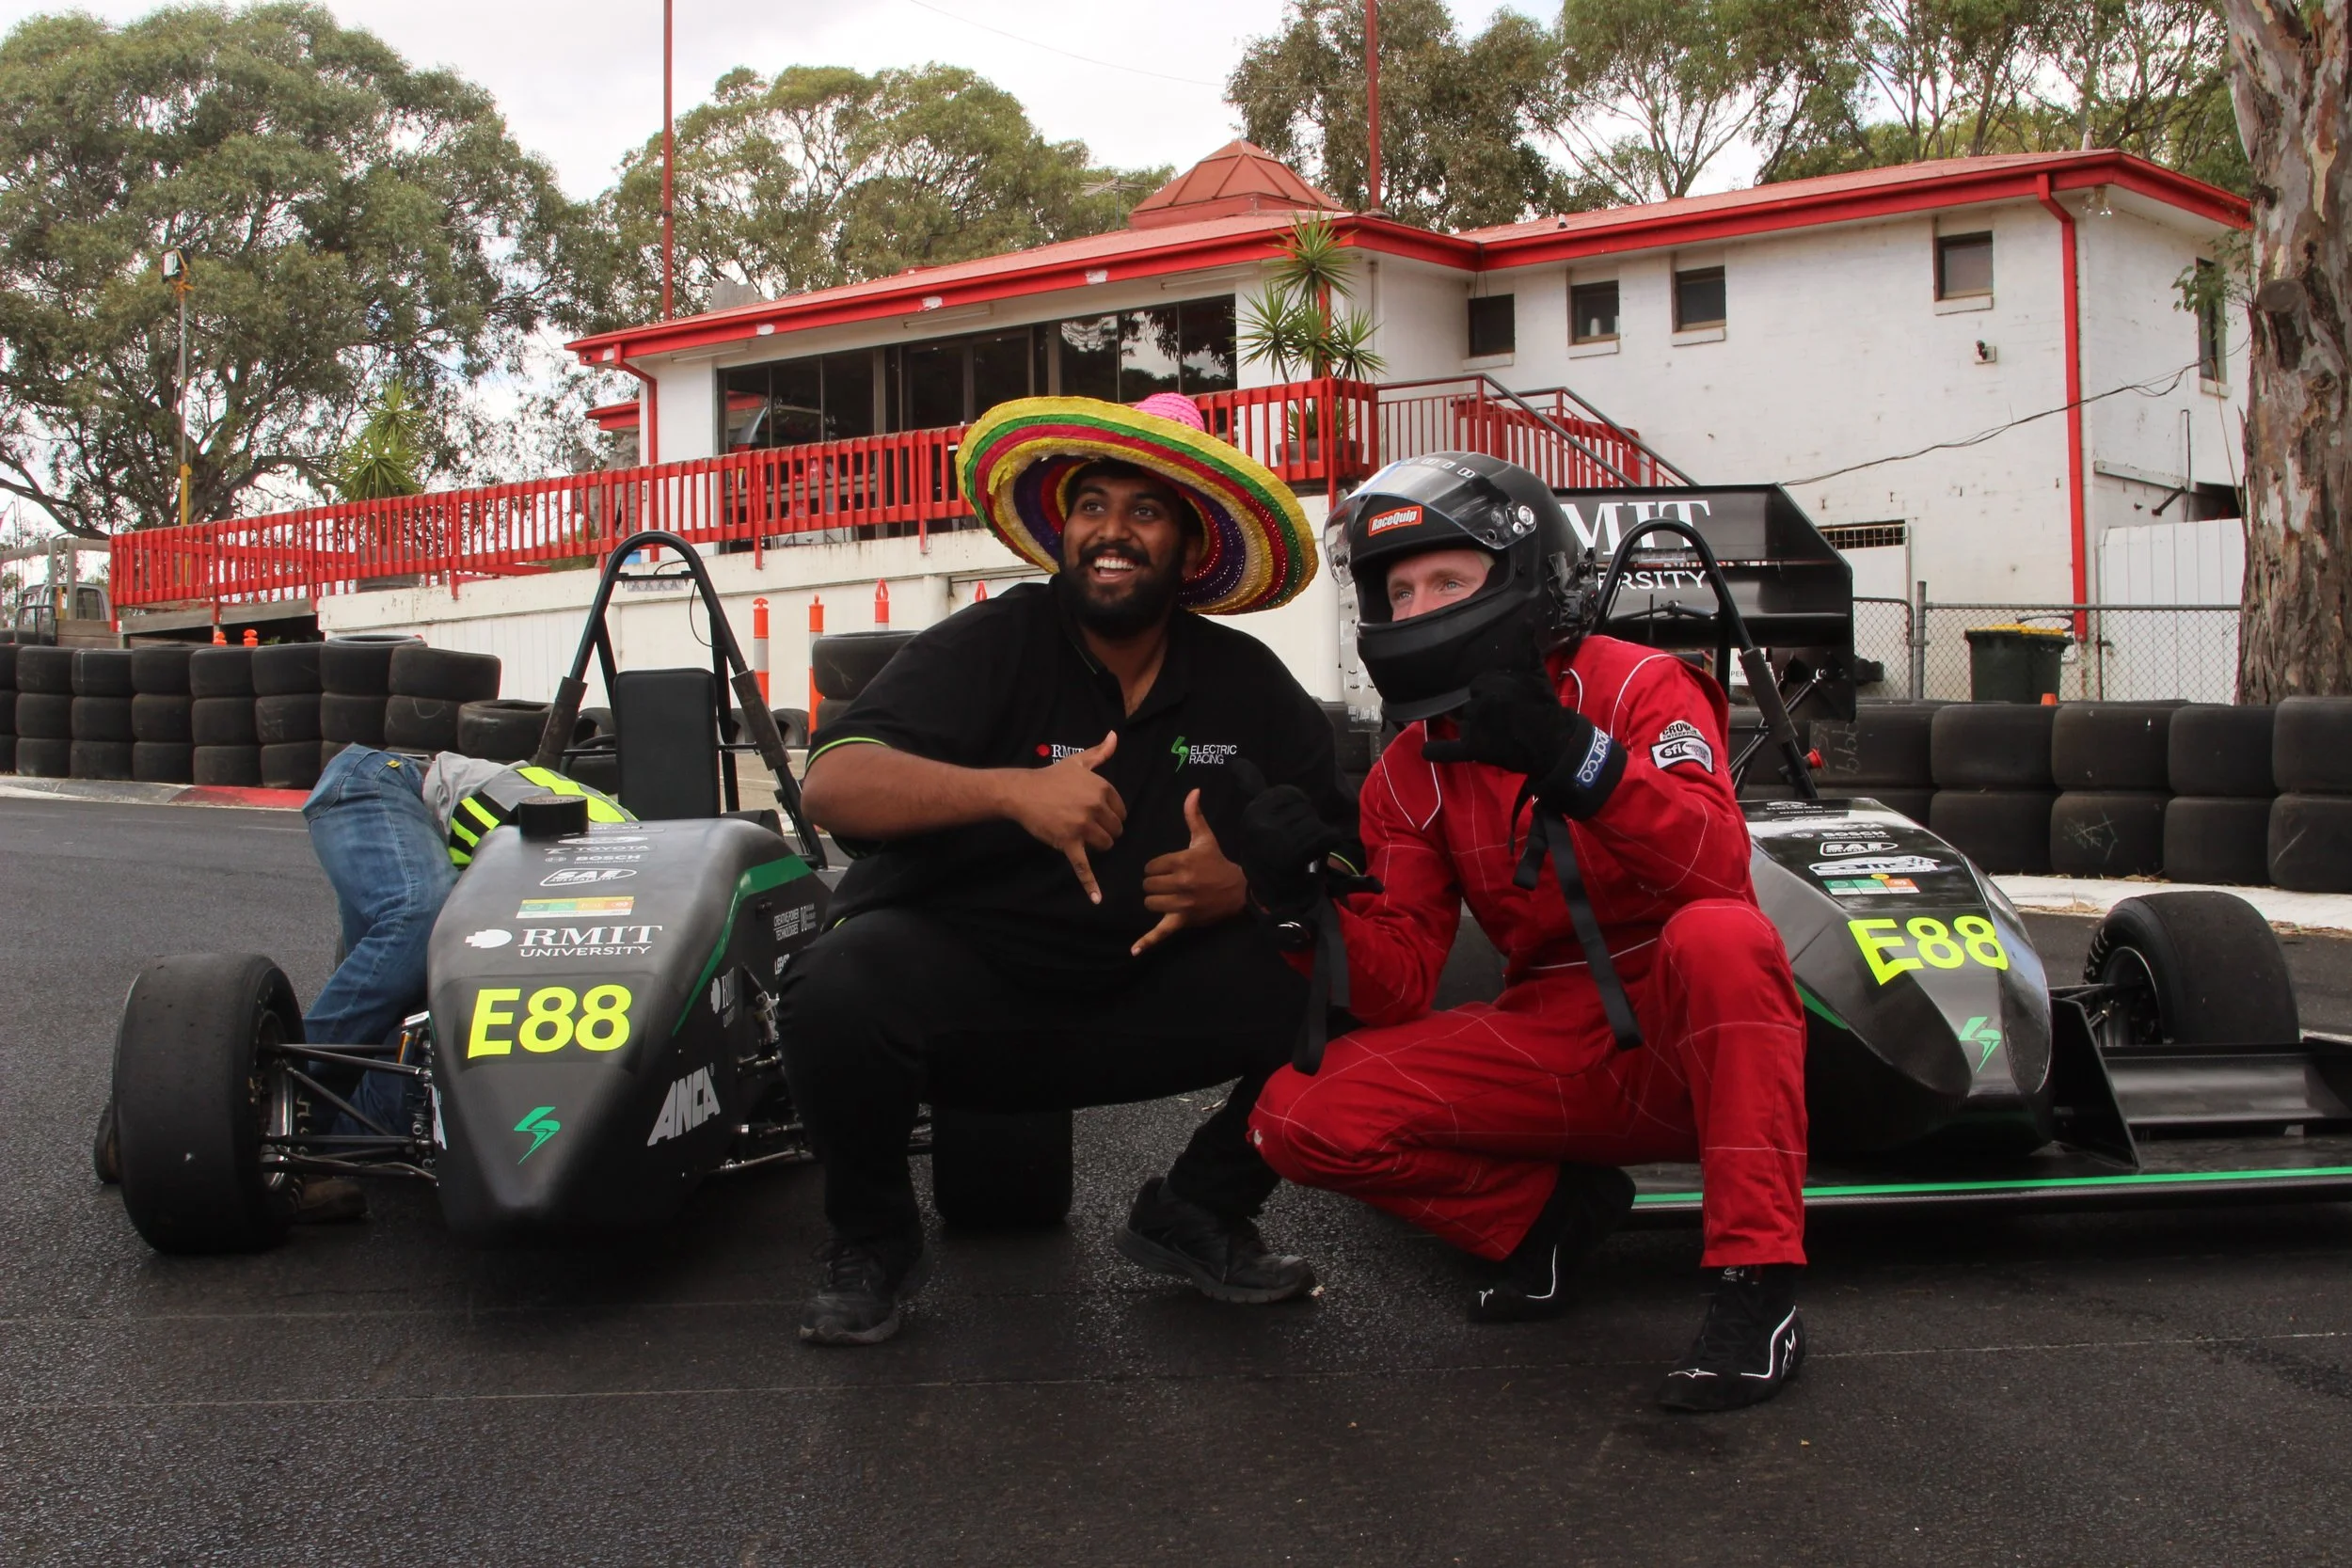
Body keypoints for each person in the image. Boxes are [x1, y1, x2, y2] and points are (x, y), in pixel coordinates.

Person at [1234, 452, 1811, 1413]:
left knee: (1720, 933)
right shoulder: (1410, 766)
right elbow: (1400, 982)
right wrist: (1298, 906)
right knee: (1295, 1115)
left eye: (1447, 580)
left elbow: (1716, 864)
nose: (1416, 607)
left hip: (1697, 1029)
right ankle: (1548, 1219)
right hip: (1557, 1031)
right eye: (1398, 588)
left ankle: (1758, 1283)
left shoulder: (1639, 686)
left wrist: (1570, 755)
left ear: (1524, 577)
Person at [779, 391, 1357, 1347]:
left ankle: (1199, 1207)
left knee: (1354, 966)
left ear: (1190, 542)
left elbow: (1346, 844)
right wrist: (1012, 792)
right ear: (1063, 529)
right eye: (1092, 505)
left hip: (1146, 994)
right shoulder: (990, 641)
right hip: (976, 991)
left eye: (1145, 509)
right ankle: (872, 1238)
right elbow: (834, 783)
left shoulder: (1246, 682)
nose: (1112, 531)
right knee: (832, 985)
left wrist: (1247, 889)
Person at [90, 740, 629, 1212]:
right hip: (383, 784)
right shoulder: (575, 839)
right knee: (422, 918)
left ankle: (186, 1128)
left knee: (398, 1083)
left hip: (429, 841)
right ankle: (244, 1115)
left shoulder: (632, 861)